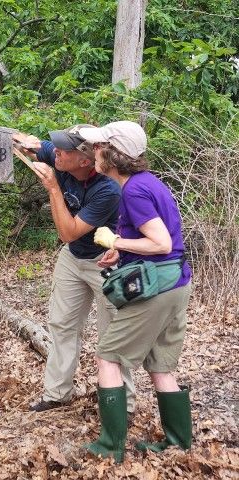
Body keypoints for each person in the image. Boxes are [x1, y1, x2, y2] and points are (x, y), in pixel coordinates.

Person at [78, 121, 192, 463]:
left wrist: (115, 240)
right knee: (160, 366)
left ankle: (111, 445)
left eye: (98, 148)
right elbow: (161, 240)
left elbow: (161, 242)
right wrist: (122, 252)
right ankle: (177, 442)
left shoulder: (134, 191)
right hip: (175, 283)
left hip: (156, 287)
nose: (93, 153)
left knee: (108, 356)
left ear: (113, 154)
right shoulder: (148, 183)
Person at [13, 125, 136, 414]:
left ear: (84, 160)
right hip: (73, 257)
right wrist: (10, 137)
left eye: (63, 149)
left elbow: (68, 232)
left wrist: (54, 188)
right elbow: (30, 143)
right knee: (61, 324)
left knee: (113, 333)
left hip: (106, 260)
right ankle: (57, 394)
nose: (55, 151)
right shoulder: (60, 158)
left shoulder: (107, 190)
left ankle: (124, 404)